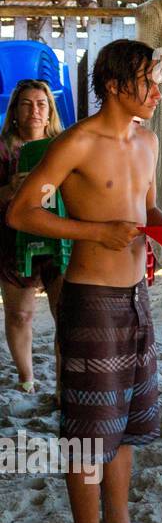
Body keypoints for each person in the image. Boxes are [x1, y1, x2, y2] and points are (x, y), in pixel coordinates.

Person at [9, 39, 162, 523]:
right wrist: (93, 231)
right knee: (88, 433)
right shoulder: (76, 143)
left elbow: (145, 207)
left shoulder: (148, 140)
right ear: (113, 85)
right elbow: (22, 210)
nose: (156, 91)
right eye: (146, 81)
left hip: (137, 299)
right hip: (91, 301)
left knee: (125, 423)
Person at [0, 79, 65, 392]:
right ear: (15, 111)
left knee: (65, 317)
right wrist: (10, 189)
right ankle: (27, 380)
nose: (34, 110)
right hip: (13, 242)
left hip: (58, 240)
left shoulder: (64, 147)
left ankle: (64, 387)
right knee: (19, 315)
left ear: (50, 110)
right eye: (26, 103)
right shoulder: (2, 150)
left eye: (41, 104)